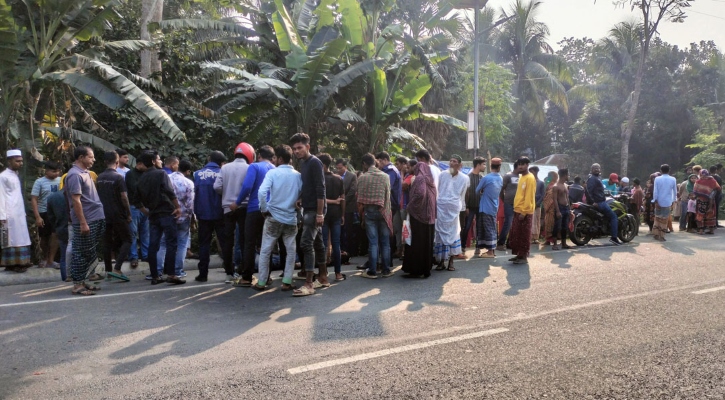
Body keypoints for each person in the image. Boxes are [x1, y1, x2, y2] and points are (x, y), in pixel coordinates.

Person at [255, 145, 302, 292]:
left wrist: (264, 209)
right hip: (290, 218)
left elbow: (262, 192)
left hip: (273, 217)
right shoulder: (298, 175)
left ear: (280, 159)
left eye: (275, 157)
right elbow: (302, 197)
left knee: (266, 250)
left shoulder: (273, 173)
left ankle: (262, 281)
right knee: (290, 250)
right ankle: (287, 281)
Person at [137, 152, 185, 285]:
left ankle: (155, 275)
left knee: (154, 245)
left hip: (153, 214)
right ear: (153, 161)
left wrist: (146, 212)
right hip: (166, 212)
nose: (160, 161)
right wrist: (178, 207)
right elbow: (170, 192)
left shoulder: (141, 178)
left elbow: (136, 199)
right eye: (158, 159)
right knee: (171, 243)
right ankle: (171, 274)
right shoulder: (161, 174)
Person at [290, 133, 328, 296]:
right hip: (309, 207)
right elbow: (309, 186)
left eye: (299, 148)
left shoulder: (314, 162)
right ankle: (324, 277)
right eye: (294, 149)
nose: (296, 151)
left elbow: (321, 189)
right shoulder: (303, 163)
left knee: (306, 243)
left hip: (315, 210)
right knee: (318, 243)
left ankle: (309, 283)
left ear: (308, 147)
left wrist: (320, 213)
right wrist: (301, 198)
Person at [65, 146, 106, 295]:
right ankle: (77, 285)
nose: (93, 160)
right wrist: (83, 222)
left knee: (90, 251)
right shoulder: (75, 175)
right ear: (81, 157)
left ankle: (83, 281)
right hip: (86, 219)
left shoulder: (86, 173)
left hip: (96, 217)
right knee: (81, 252)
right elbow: (76, 200)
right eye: (90, 157)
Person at [233, 145, 275, 287]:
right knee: (267, 244)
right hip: (271, 211)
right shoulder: (275, 169)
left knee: (249, 243)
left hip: (254, 209)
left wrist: (237, 202)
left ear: (259, 155)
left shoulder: (254, 167)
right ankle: (266, 276)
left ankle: (247, 277)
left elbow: (247, 186)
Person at [215, 142, 253, 283]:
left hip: (227, 208)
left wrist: (226, 195)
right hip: (244, 208)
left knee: (227, 241)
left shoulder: (225, 168)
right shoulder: (249, 168)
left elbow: (217, 186)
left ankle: (229, 273)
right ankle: (244, 271)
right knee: (244, 240)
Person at [357, 153, 394, 279]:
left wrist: (361, 216)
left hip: (369, 211)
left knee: (373, 242)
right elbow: (387, 196)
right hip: (383, 210)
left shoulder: (362, 177)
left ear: (364, 164)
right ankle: (386, 270)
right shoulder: (385, 176)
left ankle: (372, 271)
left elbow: (360, 199)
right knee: (385, 242)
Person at [156, 157, 195, 279]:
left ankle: (158, 270)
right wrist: (192, 219)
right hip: (183, 217)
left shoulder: (166, 179)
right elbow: (190, 205)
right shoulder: (188, 183)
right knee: (182, 244)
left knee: (163, 243)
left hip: (167, 216)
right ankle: (178, 270)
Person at [96, 151, 132, 282]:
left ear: (105, 162)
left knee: (107, 242)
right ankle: (117, 267)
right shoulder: (118, 177)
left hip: (103, 213)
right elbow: (124, 197)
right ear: (117, 162)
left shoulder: (100, 177)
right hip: (118, 213)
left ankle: (108, 271)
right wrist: (128, 213)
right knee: (128, 239)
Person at [193, 151, 226, 282]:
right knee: (225, 243)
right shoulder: (222, 173)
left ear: (209, 159)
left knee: (203, 245)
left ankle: (203, 274)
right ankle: (230, 271)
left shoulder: (197, 174)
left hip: (203, 215)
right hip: (220, 213)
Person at [401, 156, 436, 278]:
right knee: (427, 244)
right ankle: (426, 269)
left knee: (417, 243)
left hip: (419, 216)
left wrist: (411, 206)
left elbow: (420, 193)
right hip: (429, 217)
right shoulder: (430, 180)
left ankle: (415, 269)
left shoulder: (420, 179)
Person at [433, 154, 470, 271]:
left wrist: (463, 208)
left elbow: (464, 195)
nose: (452, 163)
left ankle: (451, 262)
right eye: (451, 161)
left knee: (454, 234)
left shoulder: (464, 178)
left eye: (454, 161)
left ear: (460, 165)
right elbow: (437, 190)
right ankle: (441, 262)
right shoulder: (442, 175)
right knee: (440, 234)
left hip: (454, 209)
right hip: (441, 208)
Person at [0, 149, 32, 273]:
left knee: (21, 237)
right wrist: (1, 215)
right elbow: (1, 196)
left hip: (18, 212)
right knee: (9, 239)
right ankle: (11, 264)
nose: (20, 163)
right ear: (9, 161)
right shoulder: (3, 177)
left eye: (21, 161)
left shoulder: (15, 175)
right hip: (8, 213)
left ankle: (22, 261)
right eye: (17, 161)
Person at [315, 154, 345, 281]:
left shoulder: (319, 180)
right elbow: (343, 198)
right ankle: (338, 273)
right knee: (336, 244)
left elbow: (319, 198)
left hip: (324, 214)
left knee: (323, 244)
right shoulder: (338, 179)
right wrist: (342, 214)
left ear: (323, 165)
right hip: (336, 214)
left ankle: (324, 272)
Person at [30, 161, 61, 268]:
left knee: (55, 235)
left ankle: (51, 260)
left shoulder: (61, 180)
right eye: (53, 171)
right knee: (44, 237)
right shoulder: (39, 182)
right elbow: (34, 199)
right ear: (46, 171)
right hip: (44, 212)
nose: (56, 173)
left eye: (58, 171)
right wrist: (37, 216)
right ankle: (44, 258)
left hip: (57, 213)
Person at [509, 157, 536, 264]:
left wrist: (524, 212)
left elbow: (529, 196)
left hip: (525, 211)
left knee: (524, 235)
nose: (520, 166)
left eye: (523, 164)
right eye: (519, 164)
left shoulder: (530, 178)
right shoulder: (522, 177)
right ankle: (519, 255)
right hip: (518, 210)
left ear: (527, 165)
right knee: (517, 234)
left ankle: (524, 257)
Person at [587, 163, 622, 245]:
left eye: (598, 168)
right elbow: (588, 191)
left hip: (601, 201)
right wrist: (593, 202)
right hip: (599, 202)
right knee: (613, 216)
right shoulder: (593, 178)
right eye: (595, 168)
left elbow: (599, 191)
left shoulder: (597, 178)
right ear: (591, 170)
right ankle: (614, 237)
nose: (597, 169)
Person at [475, 158, 504, 258]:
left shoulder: (486, 178)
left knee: (487, 229)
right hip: (494, 206)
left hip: (485, 207)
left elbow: (477, 190)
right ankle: (491, 250)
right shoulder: (500, 178)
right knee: (492, 228)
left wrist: (483, 191)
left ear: (490, 166)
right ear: (499, 167)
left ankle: (490, 252)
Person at [125, 154, 149, 268]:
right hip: (134, 206)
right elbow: (134, 189)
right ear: (139, 164)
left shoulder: (147, 173)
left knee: (145, 232)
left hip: (146, 206)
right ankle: (133, 257)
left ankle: (146, 255)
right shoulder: (130, 174)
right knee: (133, 233)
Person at [376, 152, 402, 258]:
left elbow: (387, 187)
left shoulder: (390, 171)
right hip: (388, 204)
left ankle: (387, 259)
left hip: (390, 204)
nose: (378, 165)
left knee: (386, 232)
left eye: (379, 162)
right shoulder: (388, 170)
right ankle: (384, 259)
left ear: (384, 160)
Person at [46, 182, 69, 281]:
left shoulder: (52, 197)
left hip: (60, 228)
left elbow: (50, 216)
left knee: (64, 254)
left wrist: (56, 226)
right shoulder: (75, 195)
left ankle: (65, 276)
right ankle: (77, 277)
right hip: (74, 227)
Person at [463, 157, 485, 256]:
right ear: (478, 165)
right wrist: (466, 206)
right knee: (467, 227)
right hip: (470, 207)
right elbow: (465, 193)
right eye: (483, 164)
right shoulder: (468, 177)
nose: (484, 166)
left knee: (479, 227)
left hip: (480, 207)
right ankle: (462, 246)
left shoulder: (482, 178)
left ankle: (478, 247)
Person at [336, 159, 358, 257]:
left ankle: (349, 250)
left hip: (348, 207)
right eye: (337, 168)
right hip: (337, 206)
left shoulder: (352, 176)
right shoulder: (335, 176)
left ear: (345, 167)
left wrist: (343, 200)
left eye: (340, 168)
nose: (339, 170)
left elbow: (353, 191)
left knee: (348, 229)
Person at [497, 162, 520, 251]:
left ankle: (510, 243)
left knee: (515, 224)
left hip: (518, 204)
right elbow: (501, 189)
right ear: (518, 166)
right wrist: (505, 200)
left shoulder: (521, 177)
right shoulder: (508, 176)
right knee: (508, 223)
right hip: (509, 203)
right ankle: (500, 243)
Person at [651, 164, 677, 241]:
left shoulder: (657, 179)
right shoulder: (673, 179)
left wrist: (655, 200)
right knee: (664, 219)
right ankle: (662, 236)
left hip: (658, 201)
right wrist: (674, 200)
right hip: (668, 201)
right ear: (669, 170)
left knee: (657, 218)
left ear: (661, 170)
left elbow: (655, 191)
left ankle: (656, 234)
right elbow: (674, 191)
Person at [693, 170, 721, 235]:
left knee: (700, 214)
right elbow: (718, 188)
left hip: (701, 201)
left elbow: (695, 191)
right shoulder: (713, 180)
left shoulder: (698, 181)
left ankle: (701, 230)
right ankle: (711, 230)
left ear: (700, 174)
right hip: (711, 201)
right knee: (710, 214)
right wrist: (711, 194)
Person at [551, 168, 571, 250]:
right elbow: (555, 199)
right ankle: (555, 244)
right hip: (560, 207)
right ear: (565, 175)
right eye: (568, 175)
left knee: (564, 227)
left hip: (566, 208)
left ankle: (564, 243)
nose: (568, 176)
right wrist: (558, 211)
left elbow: (567, 198)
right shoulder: (556, 186)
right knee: (557, 226)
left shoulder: (565, 185)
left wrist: (569, 209)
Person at [529, 166, 545, 244]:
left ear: (535, 172)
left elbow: (542, 195)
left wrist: (538, 203)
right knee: (531, 221)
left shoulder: (541, 183)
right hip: (529, 205)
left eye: (531, 171)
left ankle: (536, 238)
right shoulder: (529, 181)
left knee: (537, 221)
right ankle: (531, 237)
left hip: (537, 205)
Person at [542, 172, 558, 245]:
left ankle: (552, 240)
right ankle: (548, 240)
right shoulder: (548, 184)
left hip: (553, 207)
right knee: (548, 223)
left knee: (552, 224)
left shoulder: (555, 185)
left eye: (550, 176)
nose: (549, 177)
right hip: (549, 208)